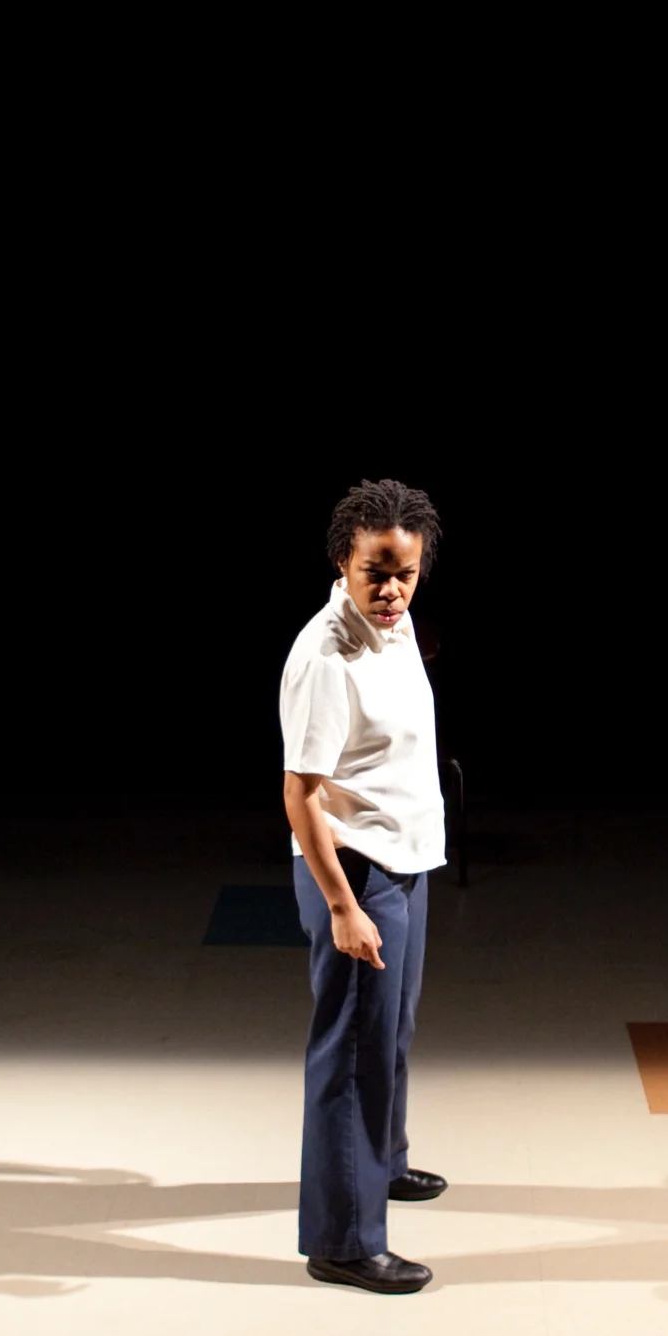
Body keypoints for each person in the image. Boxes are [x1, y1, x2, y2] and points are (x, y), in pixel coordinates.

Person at [279, 478, 448, 1294]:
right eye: (374, 572)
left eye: (404, 573)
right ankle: (343, 1240)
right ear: (342, 562)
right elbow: (299, 794)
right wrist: (343, 904)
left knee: (392, 1032)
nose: (390, 590)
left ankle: (378, 1164)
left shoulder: (399, 626)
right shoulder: (325, 657)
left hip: (406, 861)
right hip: (354, 869)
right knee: (350, 1051)